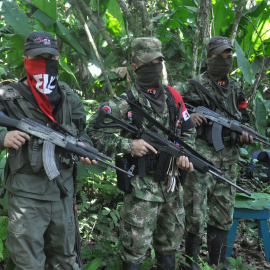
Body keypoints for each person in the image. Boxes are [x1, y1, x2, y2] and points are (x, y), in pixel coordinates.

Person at [86, 37, 195, 270]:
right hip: (141, 189)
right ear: (134, 68)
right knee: (134, 251)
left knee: (170, 245)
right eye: (148, 63)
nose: (155, 67)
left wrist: (184, 155)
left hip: (172, 186)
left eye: (158, 61)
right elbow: (93, 134)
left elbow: (188, 132)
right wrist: (129, 145)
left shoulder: (173, 97)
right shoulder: (123, 104)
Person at [0, 31, 97, 269]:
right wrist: (4, 135)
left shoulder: (66, 94)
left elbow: (82, 130)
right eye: (38, 57)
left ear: (58, 59)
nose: (44, 62)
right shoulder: (8, 95)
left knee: (65, 258)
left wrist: (84, 148)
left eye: (50, 57)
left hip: (62, 190)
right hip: (27, 193)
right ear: (25, 58)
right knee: (27, 262)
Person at [174, 36, 254, 269]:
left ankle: (218, 263)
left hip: (228, 160)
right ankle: (192, 263)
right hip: (200, 159)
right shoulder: (193, 84)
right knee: (195, 213)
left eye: (228, 57)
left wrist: (244, 133)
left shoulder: (235, 87)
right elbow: (171, 103)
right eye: (219, 57)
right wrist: (188, 115)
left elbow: (244, 117)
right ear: (208, 58)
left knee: (222, 213)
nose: (224, 61)